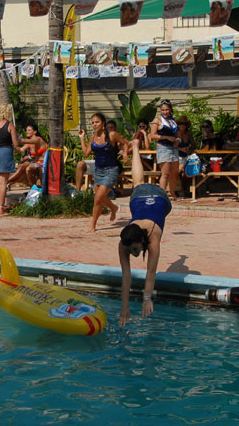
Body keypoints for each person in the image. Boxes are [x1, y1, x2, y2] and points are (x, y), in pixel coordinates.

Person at [118, 139, 172, 326]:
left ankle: (135, 148)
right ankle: (135, 147)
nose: (133, 254)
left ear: (142, 241)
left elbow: (151, 272)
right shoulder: (124, 240)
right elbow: (126, 275)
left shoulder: (153, 238)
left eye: (135, 250)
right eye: (132, 251)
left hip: (160, 197)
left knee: (145, 184)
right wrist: (124, 307)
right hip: (140, 198)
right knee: (138, 183)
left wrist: (147, 297)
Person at [79, 112, 128, 232]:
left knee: (98, 198)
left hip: (111, 170)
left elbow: (125, 143)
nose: (94, 124)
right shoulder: (93, 138)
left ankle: (92, 226)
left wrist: (125, 154)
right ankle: (113, 208)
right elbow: (86, 153)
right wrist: (82, 138)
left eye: (97, 122)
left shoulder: (112, 135)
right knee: (99, 199)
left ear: (103, 123)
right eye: (93, 123)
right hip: (98, 170)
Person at [150, 99, 181, 199]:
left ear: (170, 109)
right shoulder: (157, 121)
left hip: (173, 148)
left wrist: (178, 140)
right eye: (163, 110)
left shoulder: (172, 121)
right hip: (163, 148)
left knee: (174, 172)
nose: (165, 112)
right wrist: (166, 137)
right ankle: (162, 194)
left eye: (167, 109)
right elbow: (152, 135)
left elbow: (177, 134)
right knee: (165, 173)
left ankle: (172, 192)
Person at [8, 123, 47, 188]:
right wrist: (14, 147)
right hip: (36, 162)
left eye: (29, 130)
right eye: (26, 130)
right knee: (22, 166)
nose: (27, 132)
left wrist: (14, 135)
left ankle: (33, 187)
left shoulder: (38, 139)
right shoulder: (29, 143)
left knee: (28, 168)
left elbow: (23, 140)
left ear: (35, 132)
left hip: (44, 162)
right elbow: (21, 150)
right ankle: (32, 187)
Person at [175, 116, 196, 196]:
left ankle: (183, 188)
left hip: (186, 156)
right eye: (180, 124)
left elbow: (194, 145)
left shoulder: (189, 133)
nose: (182, 126)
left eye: (184, 124)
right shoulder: (175, 134)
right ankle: (180, 189)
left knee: (187, 171)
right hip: (176, 156)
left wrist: (189, 148)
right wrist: (181, 149)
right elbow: (172, 146)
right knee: (178, 170)